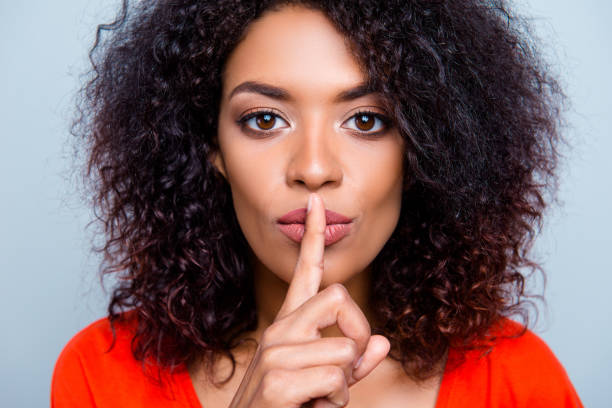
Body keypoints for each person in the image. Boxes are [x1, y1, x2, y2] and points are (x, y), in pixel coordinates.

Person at [51, 0, 583, 407]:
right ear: (211, 147)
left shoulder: (517, 379)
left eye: (366, 121)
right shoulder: (101, 375)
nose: (313, 167)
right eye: (264, 119)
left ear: (424, 148)